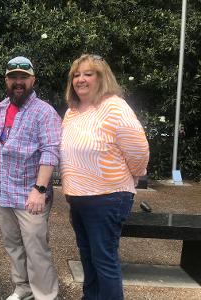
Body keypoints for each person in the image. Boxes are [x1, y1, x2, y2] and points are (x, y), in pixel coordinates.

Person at [60, 54, 150, 300]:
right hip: (78, 197)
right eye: (76, 75)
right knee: (88, 258)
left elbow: (139, 151)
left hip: (107, 197)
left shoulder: (114, 107)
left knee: (104, 260)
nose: (81, 79)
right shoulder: (73, 112)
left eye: (88, 74)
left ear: (102, 77)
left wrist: (134, 175)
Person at [0, 56, 60, 300]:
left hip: (31, 195)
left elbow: (51, 150)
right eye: (13, 77)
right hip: (3, 193)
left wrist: (40, 189)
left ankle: (45, 295)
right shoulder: (1, 107)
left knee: (36, 249)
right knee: (13, 246)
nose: (18, 82)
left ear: (32, 80)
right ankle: (23, 288)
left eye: (23, 77)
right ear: (6, 80)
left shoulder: (44, 112)